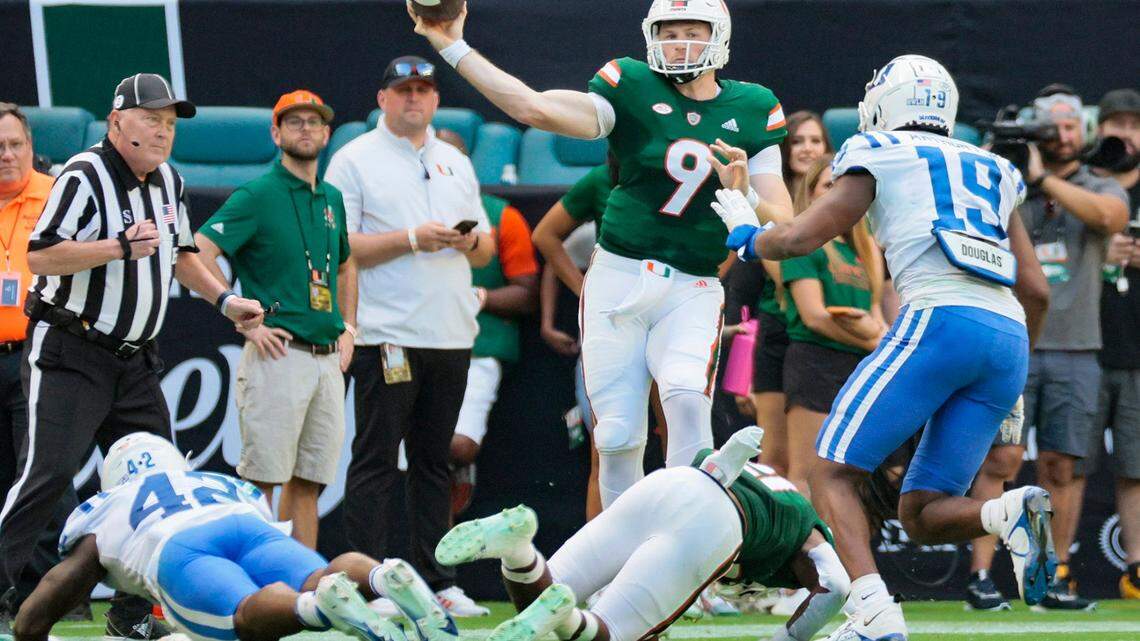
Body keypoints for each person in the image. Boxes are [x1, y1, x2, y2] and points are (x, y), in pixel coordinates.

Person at [411, 0, 795, 511]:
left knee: (685, 401)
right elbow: (534, 108)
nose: (678, 41)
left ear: (720, 36)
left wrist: (744, 194)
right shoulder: (630, 83)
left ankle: (691, 568)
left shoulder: (754, 105)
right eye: (668, 30)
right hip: (620, 274)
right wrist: (450, 44)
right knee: (614, 436)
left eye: (691, 30)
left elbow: (784, 222)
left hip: (693, 285)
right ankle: (619, 570)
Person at [721, 54, 1055, 640]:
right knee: (922, 513)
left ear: (884, 104)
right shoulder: (995, 168)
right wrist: (1017, 372)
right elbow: (1037, 290)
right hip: (1007, 337)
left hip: (939, 318)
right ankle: (1004, 512)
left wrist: (748, 239)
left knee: (829, 472)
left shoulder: (878, 151)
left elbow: (803, 234)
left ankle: (874, 618)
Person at [0, 73, 264, 637]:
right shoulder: (83, 173)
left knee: (159, 485)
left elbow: (183, 255)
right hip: (71, 347)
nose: (164, 132)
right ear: (117, 121)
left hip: (135, 360)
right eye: (152, 119)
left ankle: (134, 612)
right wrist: (117, 246)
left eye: (170, 123)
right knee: (46, 474)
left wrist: (225, 300)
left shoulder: (170, 179)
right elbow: (41, 258)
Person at [323, 56, 493, 617]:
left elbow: (487, 247)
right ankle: (367, 582)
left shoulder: (453, 161)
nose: (413, 99)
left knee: (433, 461)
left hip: (449, 332)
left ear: (436, 99)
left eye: (423, 90)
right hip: (384, 332)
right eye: (403, 91)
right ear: (382, 98)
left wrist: (466, 243)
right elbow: (339, 248)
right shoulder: (352, 161)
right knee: (374, 460)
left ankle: (436, 579)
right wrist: (415, 238)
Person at [10, 432, 458, 641]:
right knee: (319, 573)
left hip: (178, 545)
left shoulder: (110, 505)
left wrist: (29, 627)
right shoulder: (214, 480)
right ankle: (381, 576)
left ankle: (317, 608)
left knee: (243, 615)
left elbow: (61, 583)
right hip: (242, 520)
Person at [435, 426, 851, 641]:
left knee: (545, 594)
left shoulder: (780, 495)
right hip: (716, 519)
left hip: (670, 482)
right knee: (611, 633)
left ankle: (518, 550)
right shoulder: (809, 531)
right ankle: (568, 619)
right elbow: (835, 584)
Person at [195, 90, 357, 549]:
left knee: (309, 482)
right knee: (261, 480)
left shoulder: (332, 198)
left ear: (327, 133)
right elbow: (198, 251)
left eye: (314, 122)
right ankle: (254, 586)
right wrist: (240, 313)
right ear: (276, 132)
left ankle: (300, 587)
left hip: (327, 356)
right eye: (295, 121)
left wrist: (349, 327)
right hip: (278, 353)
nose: (306, 129)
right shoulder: (257, 194)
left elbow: (346, 264)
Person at [1016, 85, 1128, 610]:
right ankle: (985, 579)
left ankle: (1055, 572)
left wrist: (1046, 178)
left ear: (1081, 131)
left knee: (1063, 466)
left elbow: (1109, 219)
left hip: (1077, 346)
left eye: (1067, 127)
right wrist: (1027, 178)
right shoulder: (1008, 183)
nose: (1059, 137)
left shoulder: (1097, 184)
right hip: (1015, 343)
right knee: (1000, 459)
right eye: (1048, 128)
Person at [0, 102, 82, 632]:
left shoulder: (56, 194)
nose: (6, 156)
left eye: (15, 146)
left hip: (39, 351)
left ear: (31, 148)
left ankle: (56, 592)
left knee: (45, 476)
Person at [432, 129, 539, 516]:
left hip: (479, 345)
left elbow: (527, 293)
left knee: (457, 445)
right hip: (411, 343)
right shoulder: (400, 215)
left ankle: (454, 483)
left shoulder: (501, 216)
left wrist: (479, 297)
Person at [778, 154, 885, 497]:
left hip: (857, 368)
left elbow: (876, 315)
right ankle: (806, 552)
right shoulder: (803, 244)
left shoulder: (863, 251)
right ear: (810, 195)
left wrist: (877, 342)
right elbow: (814, 317)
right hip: (815, 362)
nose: (837, 195)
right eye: (828, 186)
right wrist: (870, 342)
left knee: (849, 477)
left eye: (844, 187)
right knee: (805, 474)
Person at [1089, 88, 1140, 599]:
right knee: (1066, 466)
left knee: (1137, 467)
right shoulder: (1081, 187)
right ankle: (1054, 567)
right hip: (1080, 347)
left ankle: (1137, 571)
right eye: (1115, 124)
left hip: (1137, 352)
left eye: (1133, 124)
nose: (1123, 134)